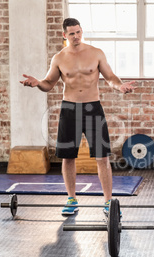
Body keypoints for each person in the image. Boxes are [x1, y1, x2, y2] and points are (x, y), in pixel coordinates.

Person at [20, 18, 135, 216]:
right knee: (68, 157)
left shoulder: (96, 53)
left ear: (82, 31)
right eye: (71, 33)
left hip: (93, 108)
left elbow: (110, 77)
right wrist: (37, 83)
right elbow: (49, 83)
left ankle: (108, 201)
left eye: (78, 32)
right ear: (64, 35)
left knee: (102, 156)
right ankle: (71, 199)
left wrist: (120, 86)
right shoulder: (59, 58)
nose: (76, 36)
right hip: (69, 110)